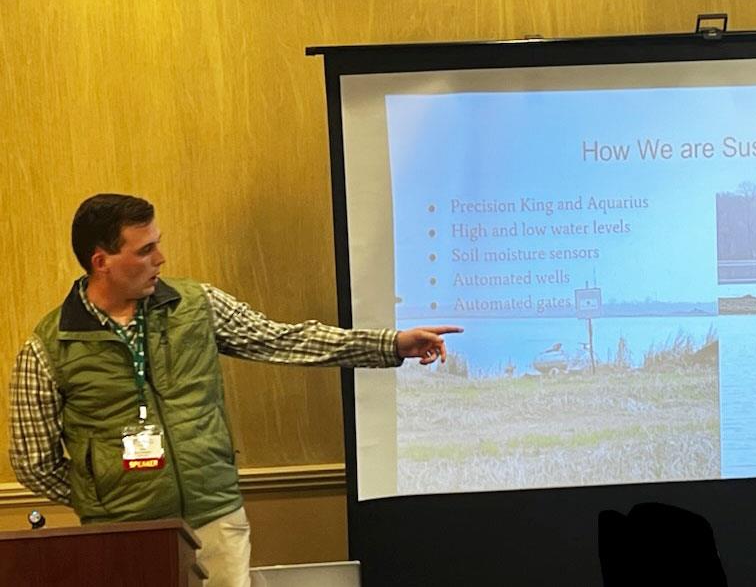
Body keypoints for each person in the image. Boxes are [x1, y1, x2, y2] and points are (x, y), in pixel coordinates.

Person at [8, 193, 460, 586]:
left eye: (158, 244)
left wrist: (390, 344)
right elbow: (33, 461)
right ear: (101, 261)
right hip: (123, 536)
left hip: (215, 520)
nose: (161, 258)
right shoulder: (48, 346)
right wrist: (103, 494)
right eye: (146, 250)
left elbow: (284, 339)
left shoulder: (197, 304)